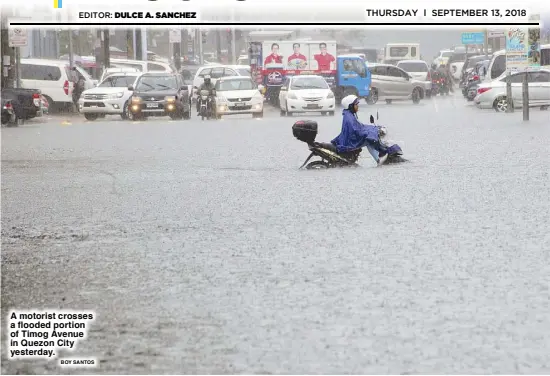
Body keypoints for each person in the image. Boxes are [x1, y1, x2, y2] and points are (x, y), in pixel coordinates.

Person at [331, 95, 388, 166]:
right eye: (356, 104)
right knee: (369, 140)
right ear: (350, 106)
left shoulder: (349, 114)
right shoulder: (349, 118)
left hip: (349, 139)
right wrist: (367, 133)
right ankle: (379, 160)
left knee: (370, 135)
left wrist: (373, 128)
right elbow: (355, 131)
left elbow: (360, 126)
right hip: (350, 142)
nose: (358, 106)